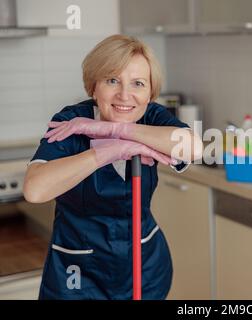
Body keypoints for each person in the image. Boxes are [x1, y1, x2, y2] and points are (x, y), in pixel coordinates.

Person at [23, 34, 203, 300]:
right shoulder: (72, 122)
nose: (125, 95)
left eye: (138, 84)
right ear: (93, 87)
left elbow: (194, 149)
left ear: (149, 93)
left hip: (144, 267)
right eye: (112, 80)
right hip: (77, 274)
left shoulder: (151, 115)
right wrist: (106, 153)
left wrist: (118, 129)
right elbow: (35, 190)